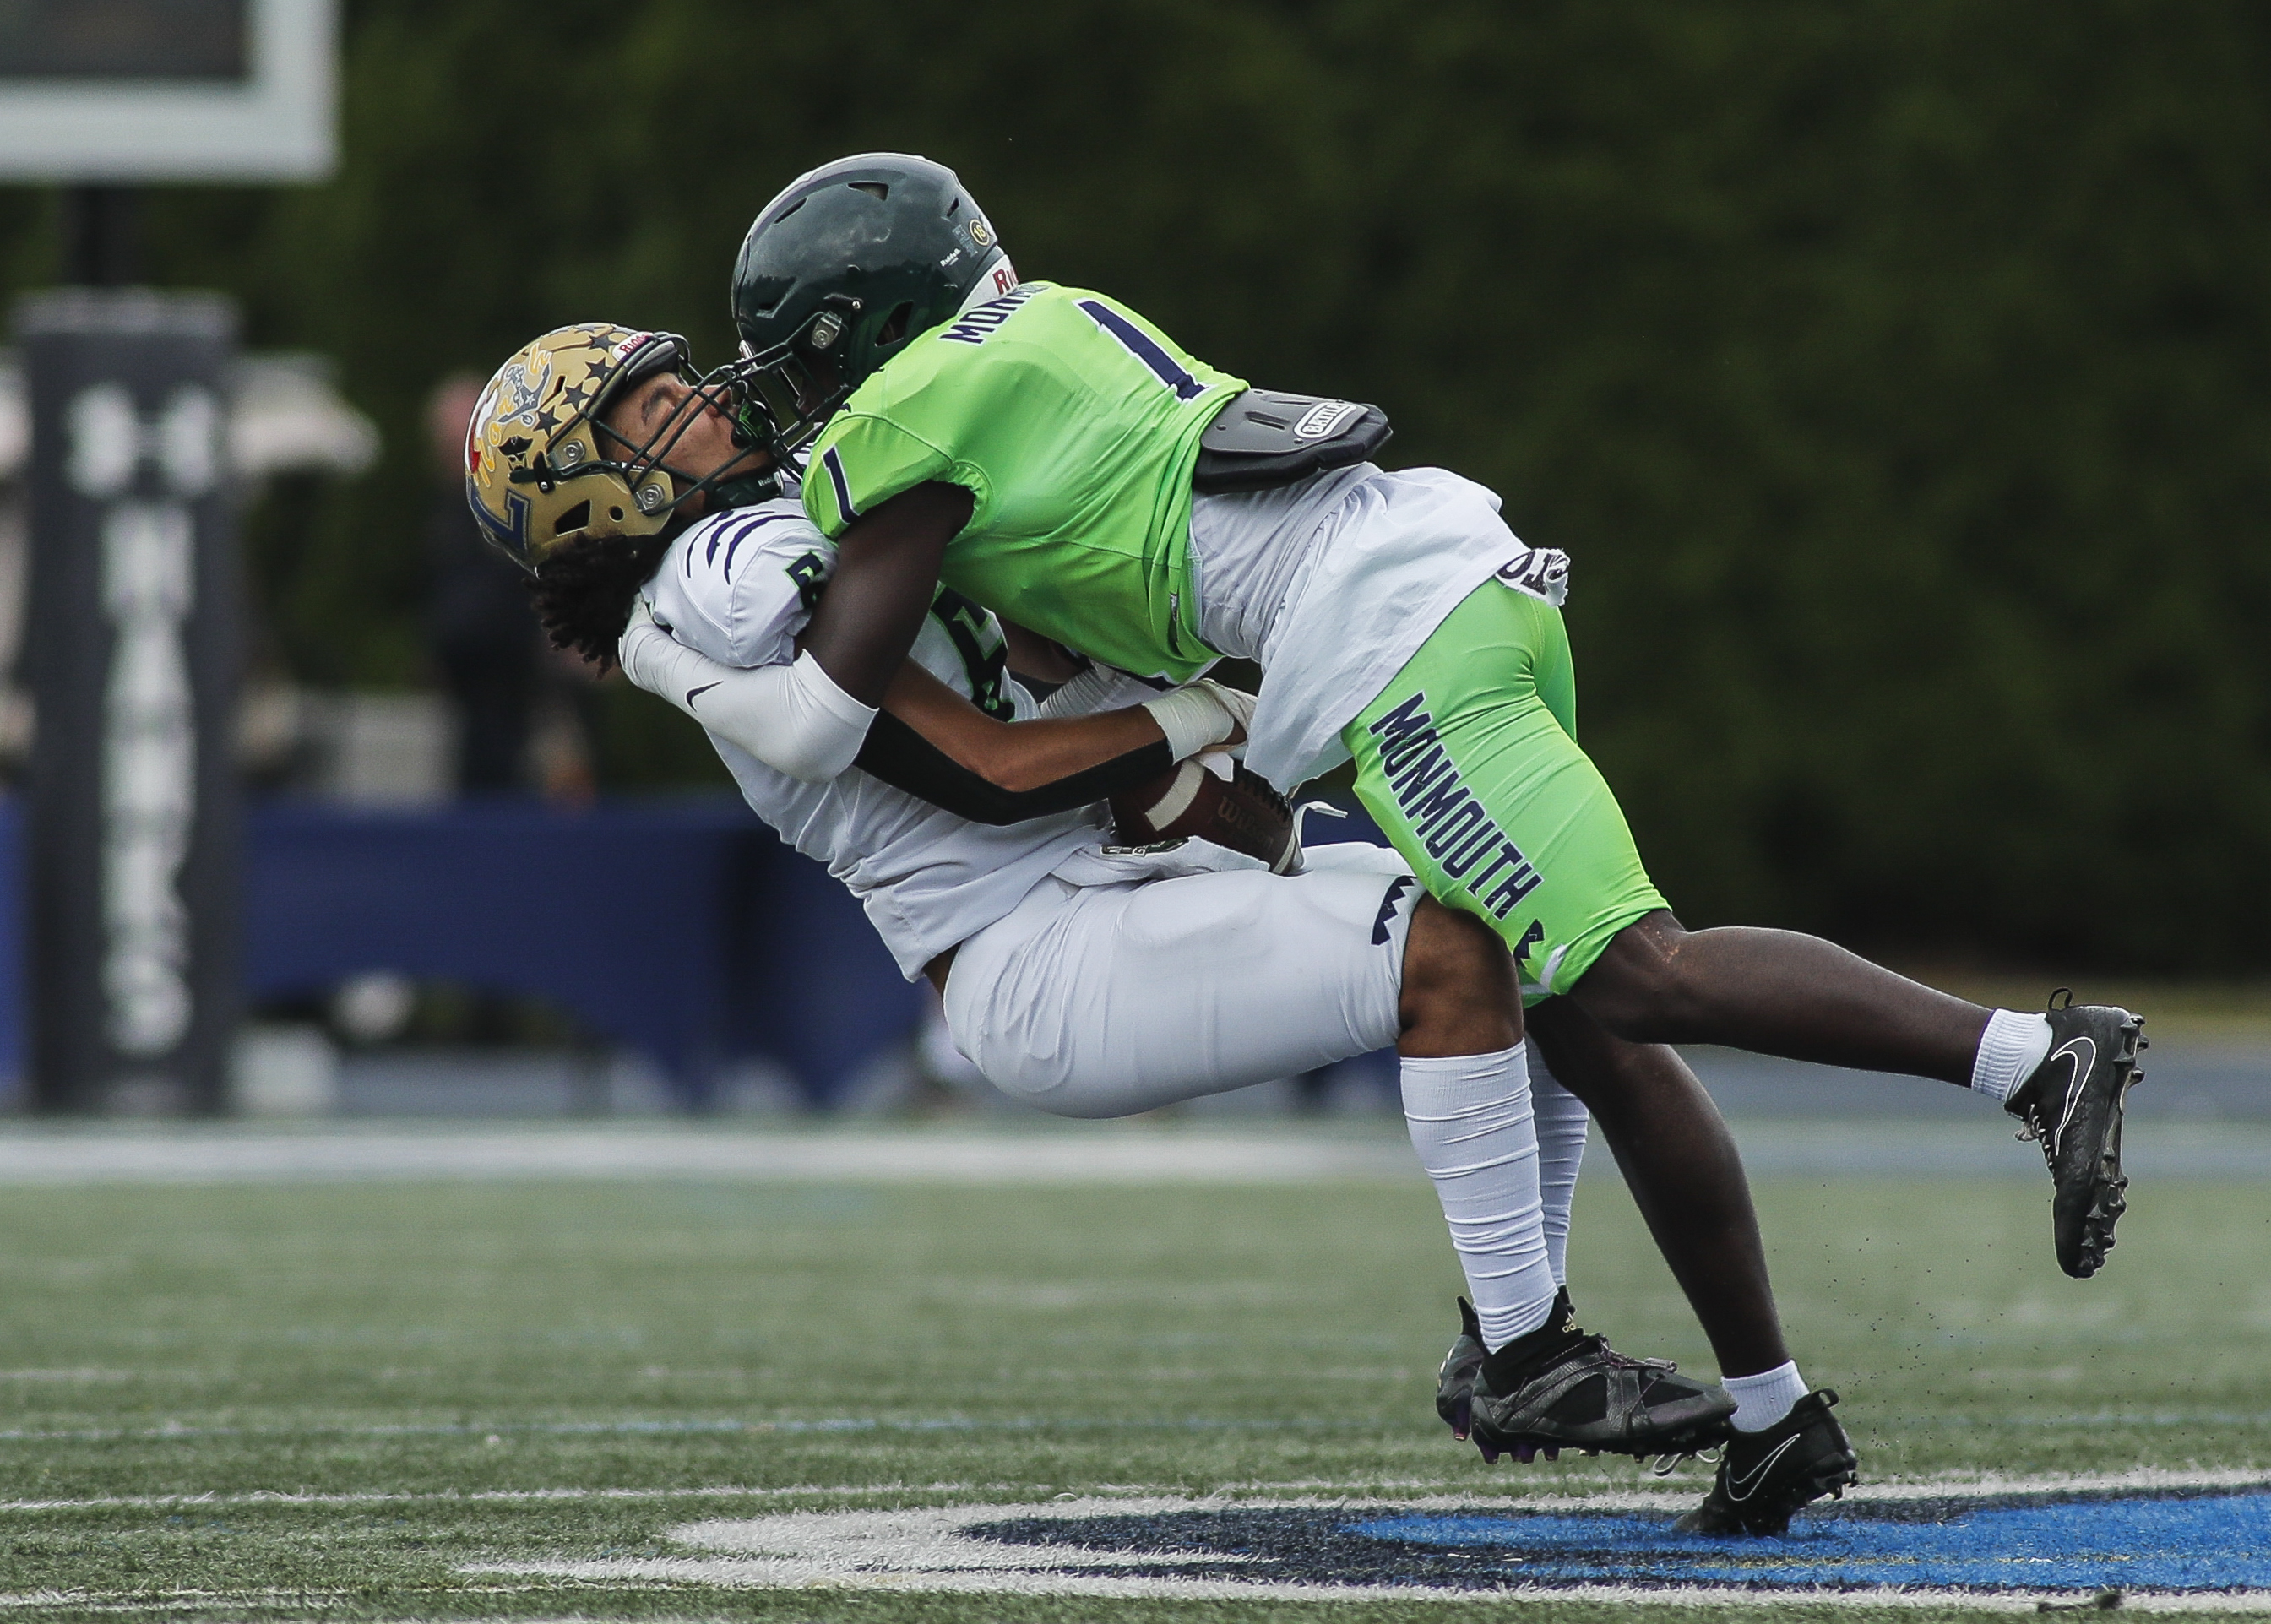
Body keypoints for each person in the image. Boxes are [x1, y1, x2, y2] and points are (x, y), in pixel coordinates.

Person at [714, 152, 2150, 1528]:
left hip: (1392, 645)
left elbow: (823, 703)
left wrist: (680, 652)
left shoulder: (912, 413)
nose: (795, 405)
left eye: (801, 361)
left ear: (876, 328)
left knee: (1640, 974)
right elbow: (1069, 626)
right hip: (1439, 588)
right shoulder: (1035, 342)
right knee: (1586, 1015)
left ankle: (2029, 1059)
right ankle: (1774, 1420)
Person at [464, 324, 1746, 1483]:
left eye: (676, 373)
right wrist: (1215, 712)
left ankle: (1514, 1338)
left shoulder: (778, 527)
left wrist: (1219, 779)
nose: (695, 395)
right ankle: (1528, 1359)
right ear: (583, 492)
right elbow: (994, 776)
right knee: (1448, 951)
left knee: (1515, 933)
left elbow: (1047, 683)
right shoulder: (724, 566)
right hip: (1032, 947)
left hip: (1109, 883)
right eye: (647, 404)